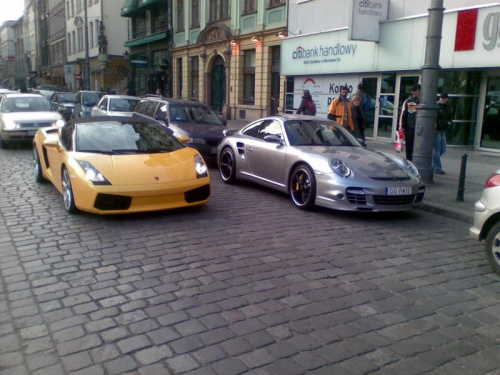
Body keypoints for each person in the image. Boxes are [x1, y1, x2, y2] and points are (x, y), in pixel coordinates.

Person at [399, 83, 420, 161]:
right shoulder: (408, 101)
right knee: (409, 147)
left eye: (415, 91)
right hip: (410, 127)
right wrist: (402, 127)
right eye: (413, 91)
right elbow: (403, 114)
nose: (413, 92)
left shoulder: (423, 101)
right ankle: (409, 161)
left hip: (418, 127)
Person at [434, 93, 452, 175]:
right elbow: (434, 117)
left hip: (443, 129)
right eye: (442, 98)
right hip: (437, 130)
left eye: (445, 98)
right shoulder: (437, 106)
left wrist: (449, 122)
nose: (443, 99)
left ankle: (433, 161)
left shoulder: (448, 106)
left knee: (443, 149)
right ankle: (437, 168)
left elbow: (449, 116)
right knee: (437, 149)